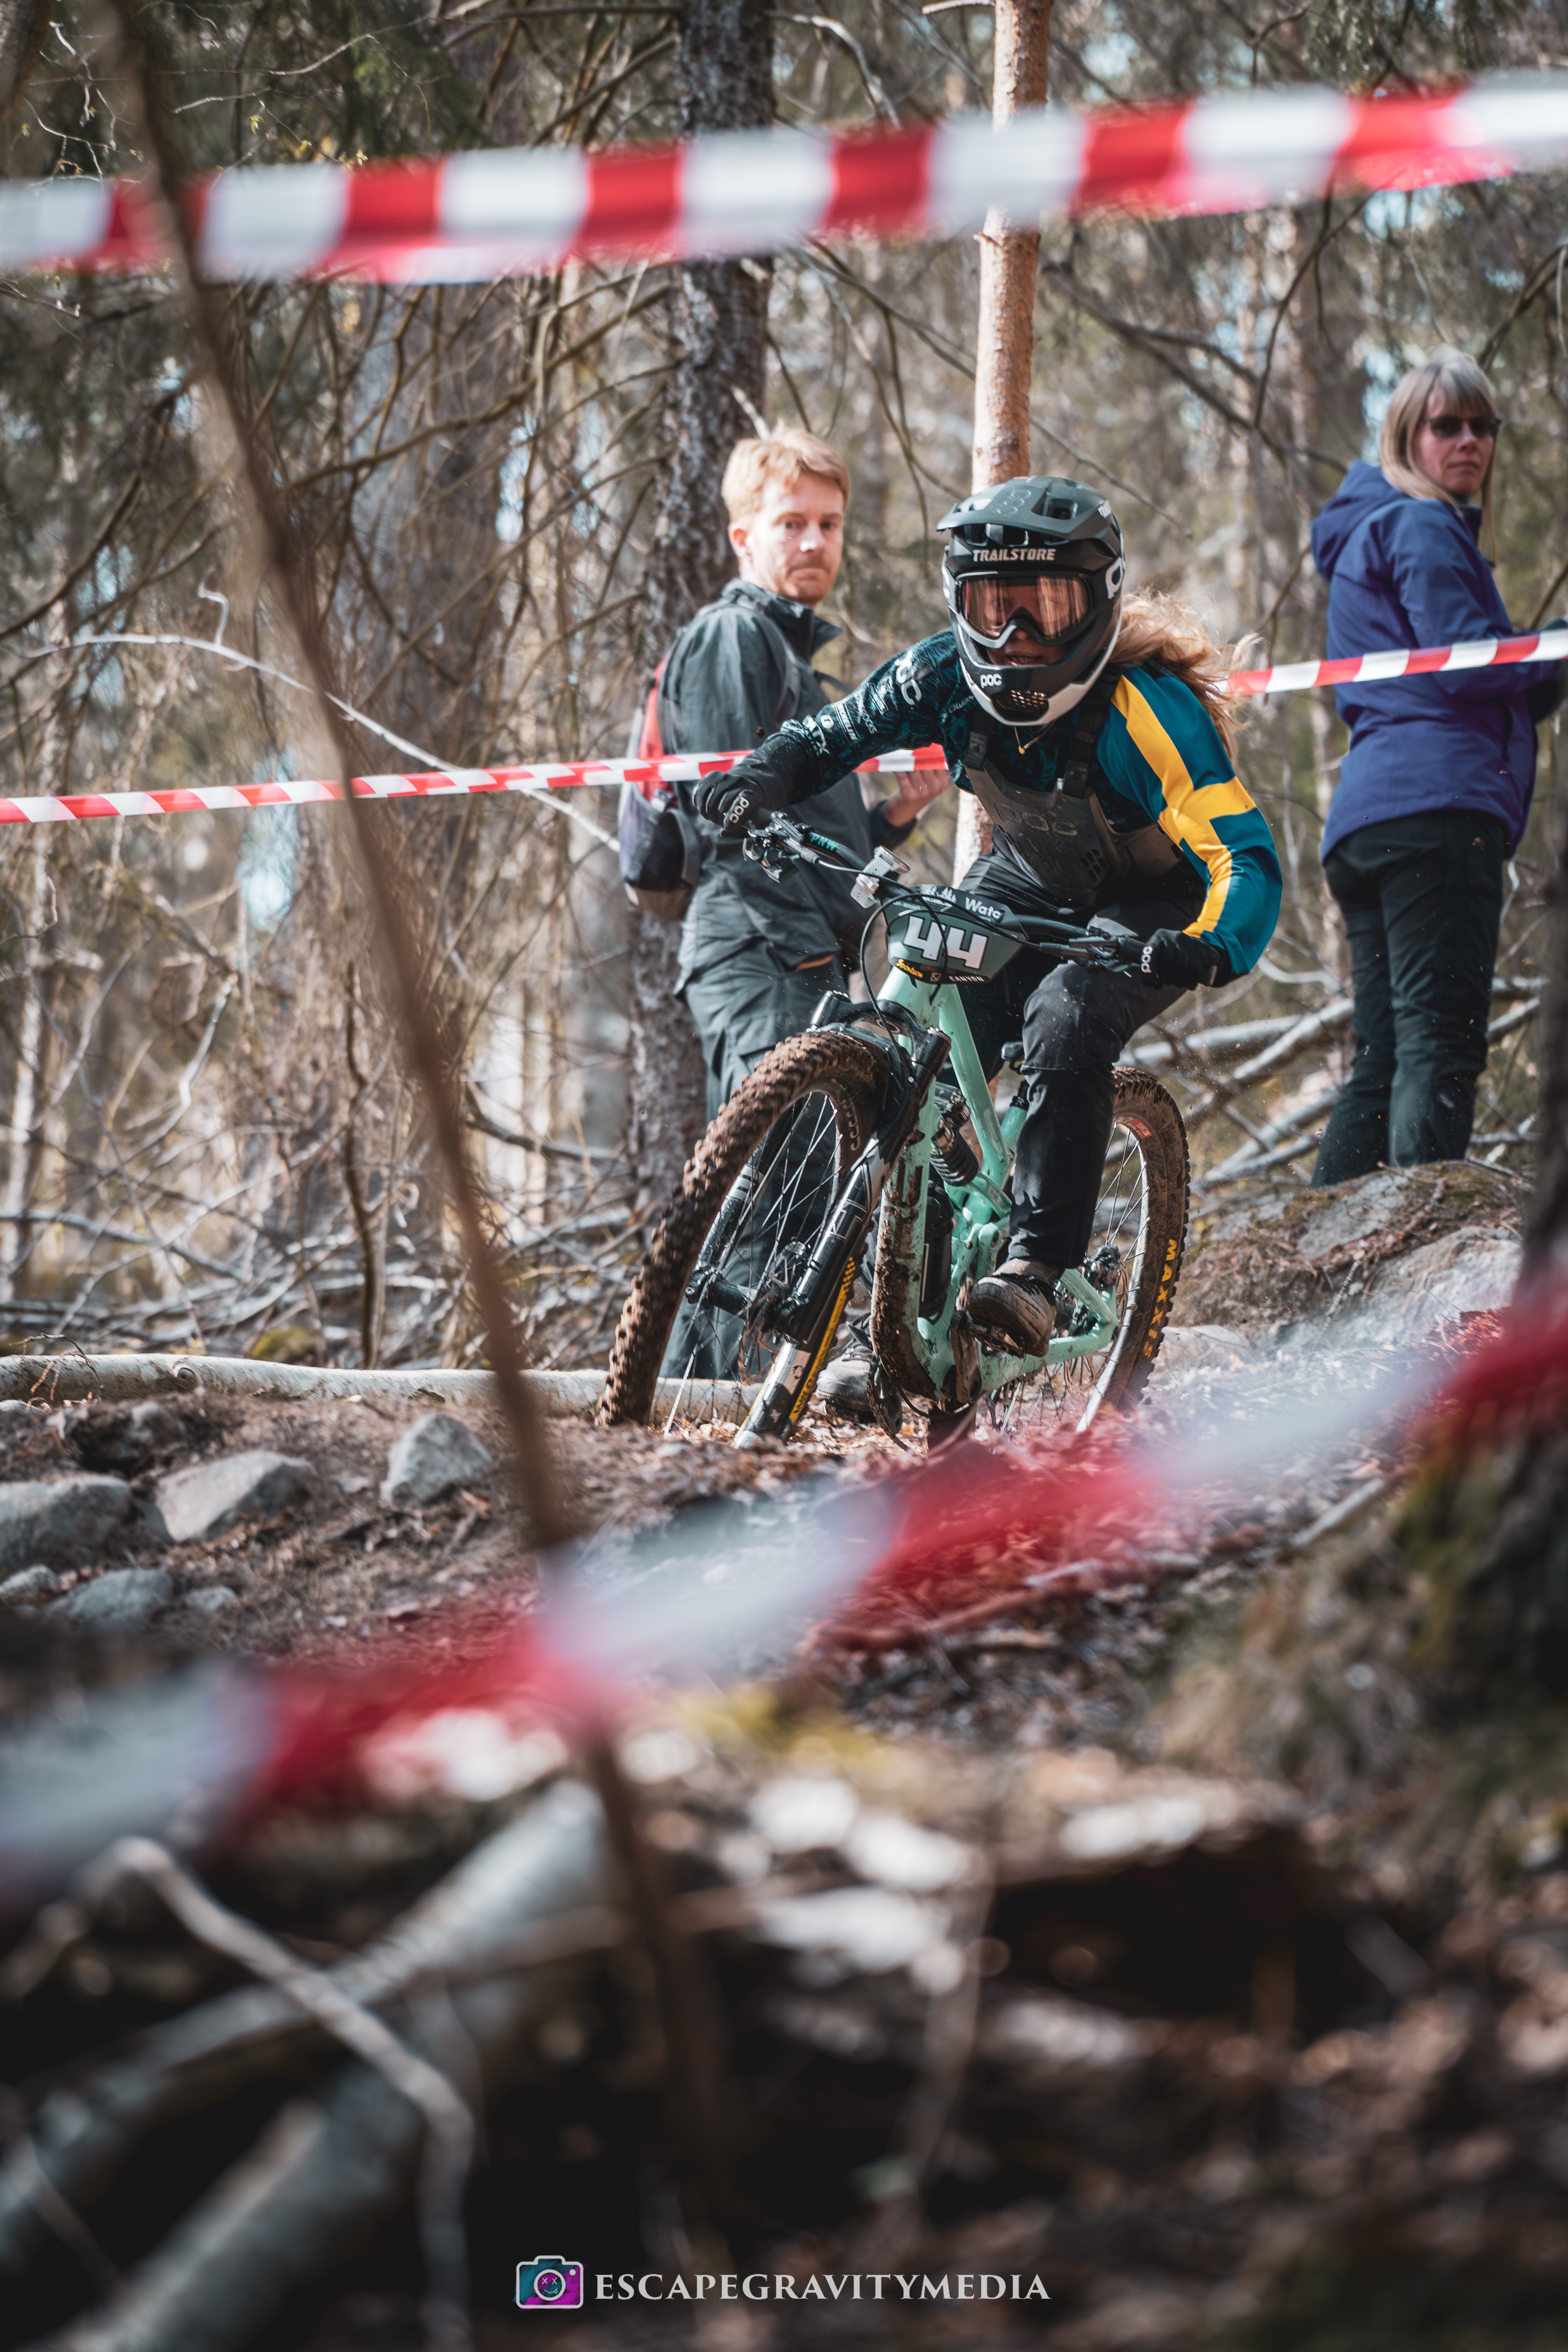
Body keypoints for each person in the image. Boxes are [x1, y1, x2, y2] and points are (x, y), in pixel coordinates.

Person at [696, 475, 1282, 1357]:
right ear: (959, 602)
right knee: (917, 1040)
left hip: (1152, 901)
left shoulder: (1146, 709)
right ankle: (898, 1326)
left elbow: (1245, 854)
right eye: (994, 607)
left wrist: (1209, 945)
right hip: (1028, 876)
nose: (1017, 636)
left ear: (1099, 601)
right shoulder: (942, 673)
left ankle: (1036, 1269)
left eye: (1045, 608)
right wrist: (758, 778)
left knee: (1066, 1016)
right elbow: (830, 736)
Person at [1308, 351, 1565, 1184]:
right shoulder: (1420, 524)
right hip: (1436, 813)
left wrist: (1542, 662)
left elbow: (1475, 673)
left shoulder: (1373, 530)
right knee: (1439, 1043)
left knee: (1382, 1055)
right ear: (1404, 436)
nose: (1468, 441)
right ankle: (1422, 1236)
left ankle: (1320, 1242)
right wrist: (1554, 644)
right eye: (1445, 425)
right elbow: (1468, 664)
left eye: (1483, 426)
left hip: (1370, 820)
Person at [660, 427, 948, 1118]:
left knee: (807, 1175)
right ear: (742, 537)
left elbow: (799, 829)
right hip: (764, 954)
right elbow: (732, 821)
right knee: (784, 1173)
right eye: (791, 523)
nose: (814, 542)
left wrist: (891, 819)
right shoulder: (733, 635)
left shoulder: (788, 657)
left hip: (796, 957)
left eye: (829, 524)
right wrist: (809, 957)